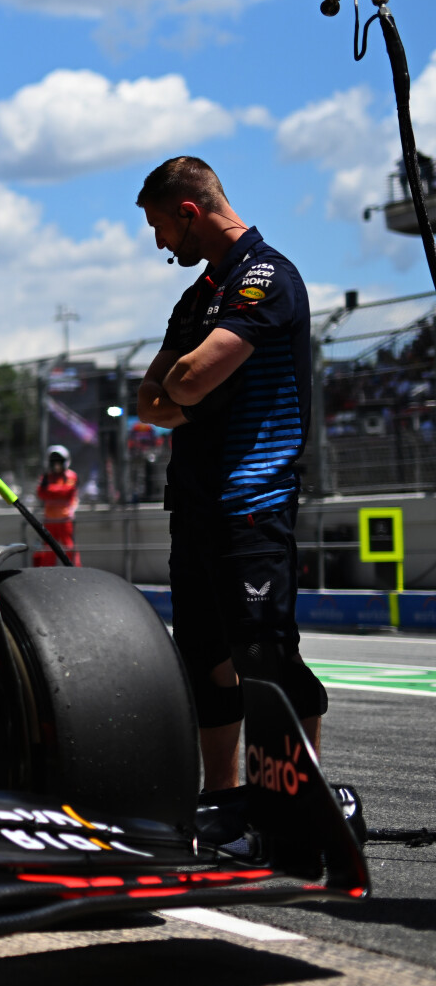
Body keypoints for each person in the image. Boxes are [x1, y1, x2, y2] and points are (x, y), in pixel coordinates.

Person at [134, 156, 325, 793]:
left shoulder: (266, 277)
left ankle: (296, 806)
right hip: (193, 505)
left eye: (162, 227)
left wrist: (183, 396)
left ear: (190, 213)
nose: (161, 243)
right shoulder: (195, 298)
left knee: (265, 656)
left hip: (252, 500)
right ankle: (223, 805)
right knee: (203, 661)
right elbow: (147, 398)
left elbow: (180, 382)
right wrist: (191, 395)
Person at [33, 445, 81, 566]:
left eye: (59, 462)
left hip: (65, 519)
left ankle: (75, 571)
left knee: (69, 547)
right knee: (49, 549)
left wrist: (51, 490)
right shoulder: (45, 477)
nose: (57, 465)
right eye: (54, 462)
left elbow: (68, 491)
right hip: (49, 520)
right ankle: (49, 573)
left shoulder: (71, 475)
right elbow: (41, 493)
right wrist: (57, 491)